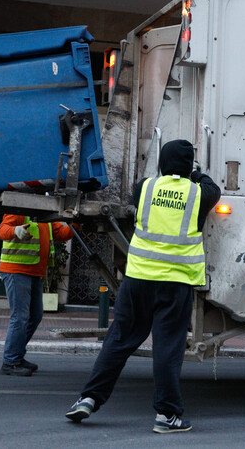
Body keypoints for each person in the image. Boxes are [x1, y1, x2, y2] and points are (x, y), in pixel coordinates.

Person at [66, 139, 221, 433]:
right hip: (175, 284)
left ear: (162, 163)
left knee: (119, 339)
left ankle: (88, 398)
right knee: (167, 348)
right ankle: (167, 415)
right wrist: (196, 173)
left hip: (137, 279)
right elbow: (212, 187)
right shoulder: (199, 194)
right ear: (189, 167)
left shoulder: (145, 187)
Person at [0, 214, 76, 376]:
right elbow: (2, 231)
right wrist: (15, 230)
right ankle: (10, 362)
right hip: (16, 270)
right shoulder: (20, 208)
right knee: (20, 317)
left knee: (35, 315)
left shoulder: (46, 213)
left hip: (33, 271)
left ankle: (16, 355)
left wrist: (78, 224)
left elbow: (62, 233)